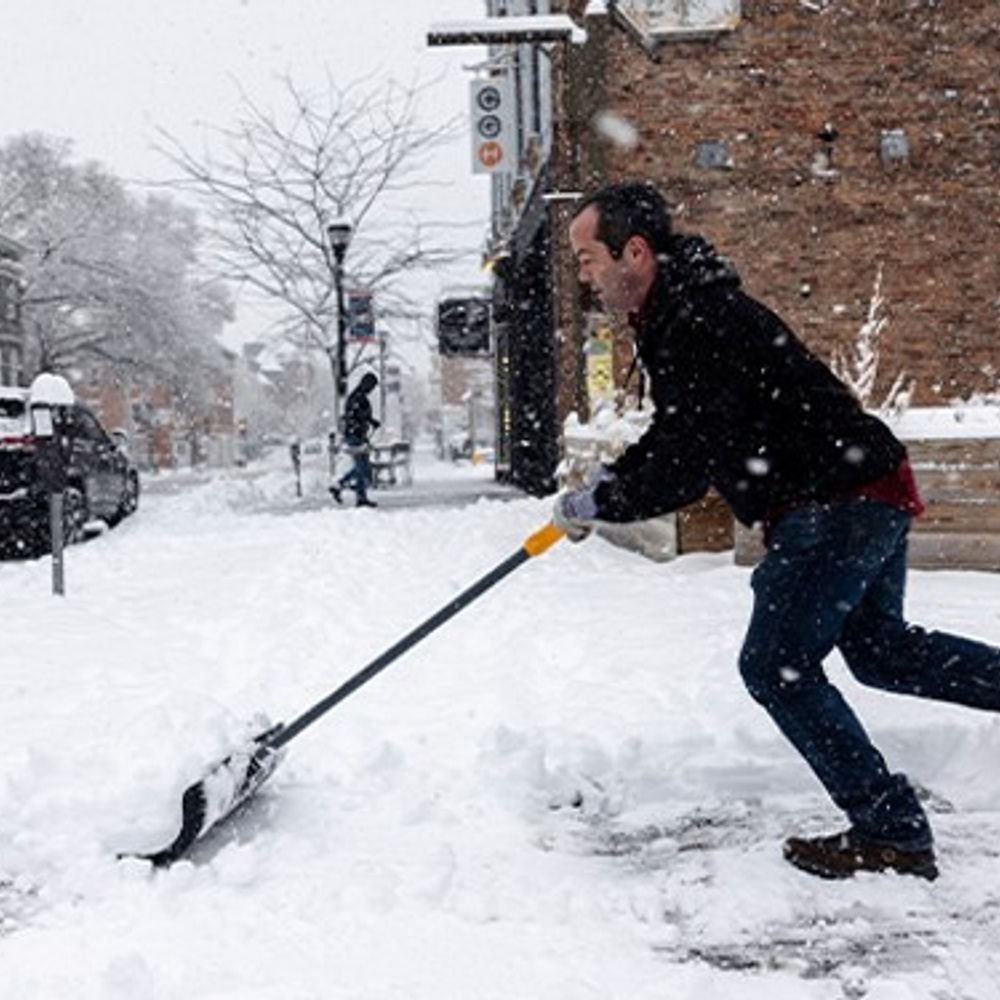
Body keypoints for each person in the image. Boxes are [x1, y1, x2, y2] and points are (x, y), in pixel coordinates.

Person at [552, 180, 1000, 881]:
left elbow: (686, 458)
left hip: (835, 500)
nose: (581, 274)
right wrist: (603, 489)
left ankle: (893, 832)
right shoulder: (682, 312)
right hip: (863, 485)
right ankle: (892, 825)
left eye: (586, 258)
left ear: (632, 252)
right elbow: (681, 435)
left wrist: (600, 503)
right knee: (880, 652)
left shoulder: (694, 318)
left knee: (774, 667)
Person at [330, 372, 380, 508]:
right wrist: (360, 426)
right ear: (366, 383)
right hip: (355, 436)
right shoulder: (356, 398)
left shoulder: (360, 397)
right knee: (361, 467)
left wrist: (371, 421)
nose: (372, 389)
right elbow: (352, 417)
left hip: (358, 435)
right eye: (372, 386)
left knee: (363, 467)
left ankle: (359, 496)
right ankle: (341, 487)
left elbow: (362, 415)